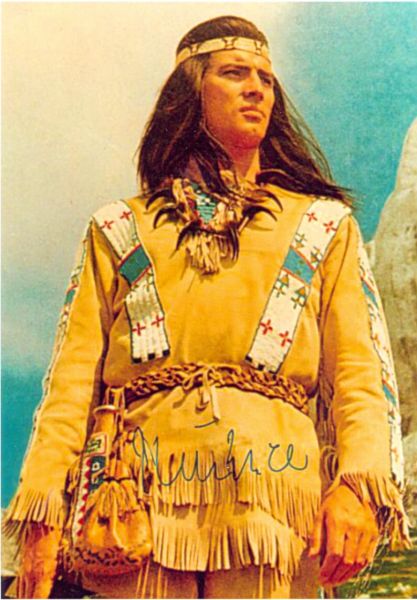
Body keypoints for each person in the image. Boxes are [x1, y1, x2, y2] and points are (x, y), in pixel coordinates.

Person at [4, 15, 411, 600]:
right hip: (132, 510)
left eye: (266, 79)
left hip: (273, 509)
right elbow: (70, 388)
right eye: (235, 73)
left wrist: (357, 486)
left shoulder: (321, 226)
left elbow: (359, 376)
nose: (257, 89)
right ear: (191, 92)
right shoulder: (120, 229)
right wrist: (42, 520)